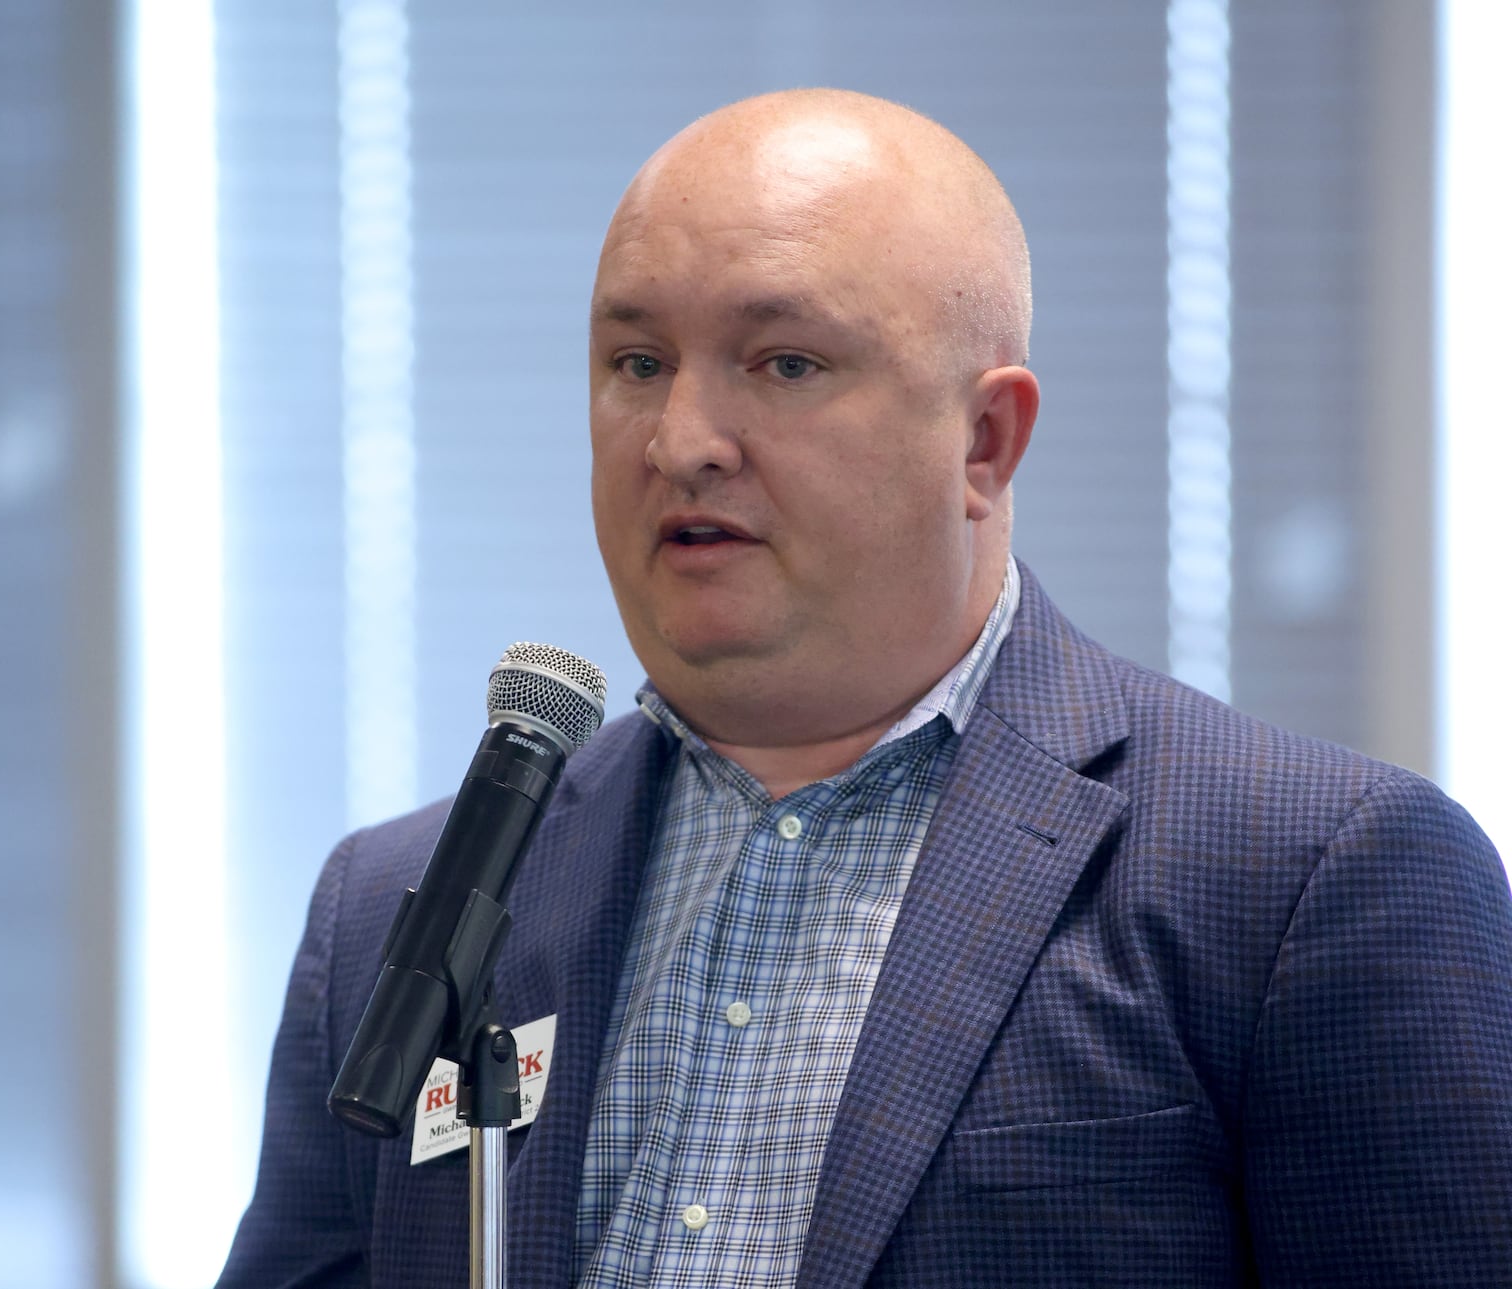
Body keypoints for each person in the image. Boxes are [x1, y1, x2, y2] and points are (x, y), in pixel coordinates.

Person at [218, 89, 1512, 1287]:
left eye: (784, 362)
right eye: (636, 363)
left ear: (986, 442)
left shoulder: (1304, 882)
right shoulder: (398, 912)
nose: (680, 441)